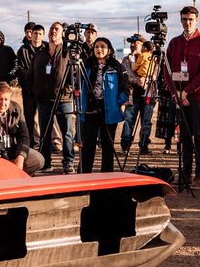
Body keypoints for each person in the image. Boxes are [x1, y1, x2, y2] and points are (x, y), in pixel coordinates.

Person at [165, 6, 200, 189]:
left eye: (191, 19)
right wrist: (175, 93)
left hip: (198, 97)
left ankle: (199, 176)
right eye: (185, 19)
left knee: (199, 137)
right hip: (179, 97)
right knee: (184, 137)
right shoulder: (174, 42)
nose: (188, 22)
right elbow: (167, 70)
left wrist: (187, 92)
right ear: (180, 20)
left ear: (197, 20)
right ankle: (185, 173)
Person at [33, 21, 77, 174]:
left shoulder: (67, 52)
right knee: (45, 132)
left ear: (62, 33)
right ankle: (46, 163)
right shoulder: (40, 52)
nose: (53, 31)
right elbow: (31, 74)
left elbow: (75, 75)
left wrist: (68, 89)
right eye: (52, 29)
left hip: (63, 99)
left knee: (67, 132)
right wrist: (35, 90)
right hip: (43, 99)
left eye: (57, 29)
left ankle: (68, 162)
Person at [79, 37, 128, 173]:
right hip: (89, 109)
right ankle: (83, 174)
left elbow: (125, 89)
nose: (99, 49)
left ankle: (107, 175)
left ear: (109, 50)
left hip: (109, 110)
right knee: (88, 144)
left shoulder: (117, 66)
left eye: (102, 46)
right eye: (96, 47)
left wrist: (116, 104)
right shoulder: (86, 64)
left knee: (107, 145)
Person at [121, 35, 155, 155]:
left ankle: (144, 145)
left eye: (135, 43)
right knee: (129, 120)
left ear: (143, 45)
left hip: (148, 93)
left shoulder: (152, 58)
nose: (132, 45)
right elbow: (127, 74)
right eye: (130, 43)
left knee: (146, 121)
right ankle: (125, 146)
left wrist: (147, 78)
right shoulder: (126, 59)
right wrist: (138, 80)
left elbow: (156, 72)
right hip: (132, 95)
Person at [14, 22, 45, 148]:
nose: (37, 36)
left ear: (43, 36)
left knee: (45, 118)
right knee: (29, 118)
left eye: (40, 34)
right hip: (28, 91)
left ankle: (44, 142)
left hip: (44, 91)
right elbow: (21, 71)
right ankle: (31, 143)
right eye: (35, 33)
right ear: (31, 35)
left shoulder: (47, 49)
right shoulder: (23, 51)